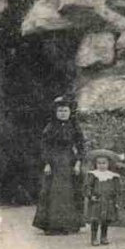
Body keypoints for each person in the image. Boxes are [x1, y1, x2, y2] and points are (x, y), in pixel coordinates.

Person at [32, 95, 85, 235]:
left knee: (69, 192)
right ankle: (52, 225)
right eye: (60, 111)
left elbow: (81, 145)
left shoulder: (74, 126)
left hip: (69, 160)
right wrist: (47, 163)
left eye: (65, 111)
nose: (63, 113)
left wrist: (78, 162)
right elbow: (45, 146)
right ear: (56, 112)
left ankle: (69, 224)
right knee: (53, 192)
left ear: (70, 112)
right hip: (54, 162)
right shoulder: (50, 127)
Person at [83, 149, 123, 246]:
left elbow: (117, 189)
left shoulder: (113, 176)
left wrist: (116, 199)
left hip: (108, 201)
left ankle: (104, 236)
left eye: (104, 163)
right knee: (95, 219)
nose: (101, 165)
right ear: (95, 164)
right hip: (97, 200)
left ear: (108, 164)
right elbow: (88, 186)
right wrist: (90, 195)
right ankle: (94, 237)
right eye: (99, 163)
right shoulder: (93, 174)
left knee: (106, 219)